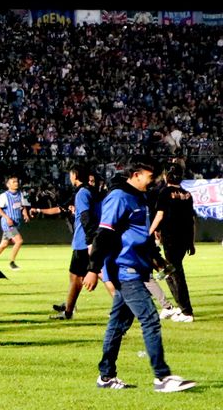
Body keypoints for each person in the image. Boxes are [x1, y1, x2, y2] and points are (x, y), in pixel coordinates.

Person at [85, 158, 196, 392]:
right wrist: (93, 269)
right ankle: (162, 378)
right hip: (125, 270)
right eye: (149, 174)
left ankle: (106, 377)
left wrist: (157, 260)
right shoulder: (119, 197)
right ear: (135, 174)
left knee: (118, 324)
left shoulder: (140, 198)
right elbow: (104, 235)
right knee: (151, 319)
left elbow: (140, 236)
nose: (153, 178)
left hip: (136, 267)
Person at [51, 165, 98, 320]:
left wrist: (90, 241)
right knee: (75, 276)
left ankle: (68, 312)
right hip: (85, 241)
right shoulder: (91, 192)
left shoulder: (82, 193)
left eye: (71, 174)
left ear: (75, 175)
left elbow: (85, 218)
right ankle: (68, 309)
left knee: (99, 275)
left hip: (83, 242)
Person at [150, 165, 195, 323]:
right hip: (184, 238)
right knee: (170, 272)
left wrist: (150, 231)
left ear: (166, 176)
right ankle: (180, 308)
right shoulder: (187, 195)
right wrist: (192, 242)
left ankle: (186, 311)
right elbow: (191, 220)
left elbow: (160, 215)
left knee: (175, 273)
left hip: (171, 238)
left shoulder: (165, 193)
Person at [0, 175, 31, 269]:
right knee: (19, 241)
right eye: (13, 182)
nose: (16, 183)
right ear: (8, 184)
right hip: (8, 225)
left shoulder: (20, 194)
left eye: (17, 181)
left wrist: (25, 214)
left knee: (3, 244)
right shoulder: (4, 196)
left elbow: (22, 206)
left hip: (16, 223)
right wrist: (7, 218)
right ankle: (12, 263)